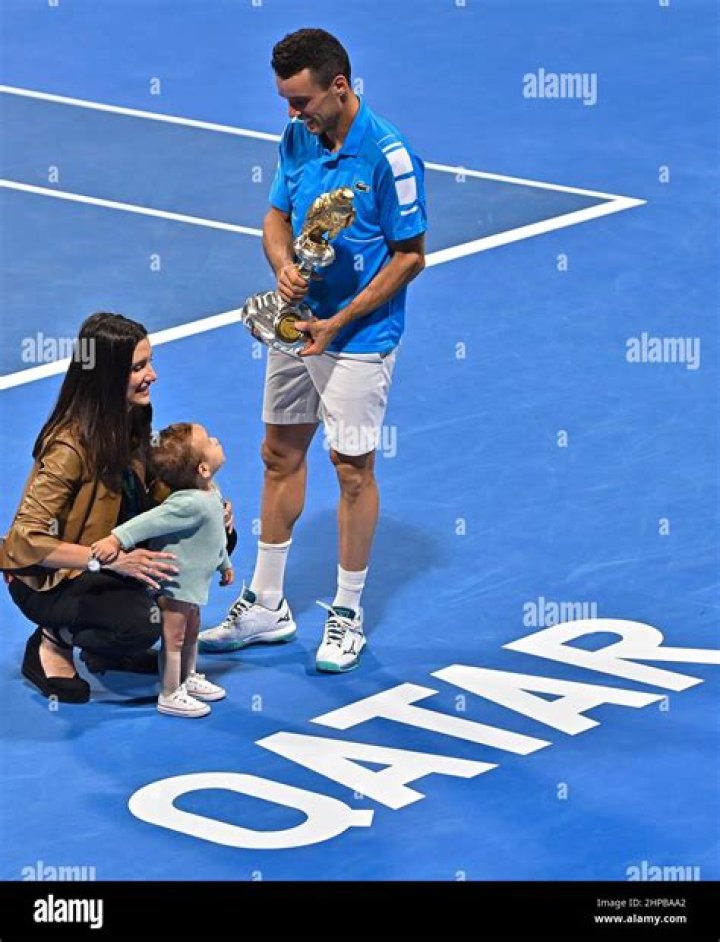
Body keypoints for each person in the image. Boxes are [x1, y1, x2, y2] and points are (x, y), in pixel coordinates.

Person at [199, 28, 427, 672]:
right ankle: (267, 603)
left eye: (300, 101)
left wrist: (343, 320)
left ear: (340, 86)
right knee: (279, 454)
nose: (291, 114)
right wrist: (282, 267)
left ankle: (348, 610)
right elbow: (276, 216)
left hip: (359, 336)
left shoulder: (390, 157)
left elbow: (411, 257)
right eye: (284, 101)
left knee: (351, 469)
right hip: (297, 325)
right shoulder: (298, 136)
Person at [0, 313, 232, 703]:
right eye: (138, 367)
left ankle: (108, 644)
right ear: (107, 375)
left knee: (213, 537)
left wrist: (210, 504)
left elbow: (156, 487)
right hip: (56, 578)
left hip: (114, 554)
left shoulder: (134, 416)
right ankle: (54, 639)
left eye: (150, 362)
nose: (153, 375)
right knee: (141, 626)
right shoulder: (68, 447)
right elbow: (26, 540)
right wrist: (108, 560)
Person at [92, 422, 234, 718]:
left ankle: (188, 676)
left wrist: (225, 564)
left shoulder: (211, 492)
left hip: (193, 586)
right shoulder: (188, 503)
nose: (217, 439)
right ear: (203, 469)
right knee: (175, 638)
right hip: (175, 584)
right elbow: (148, 522)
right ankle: (170, 692)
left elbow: (215, 536)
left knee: (193, 629)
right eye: (210, 441)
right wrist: (115, 539)